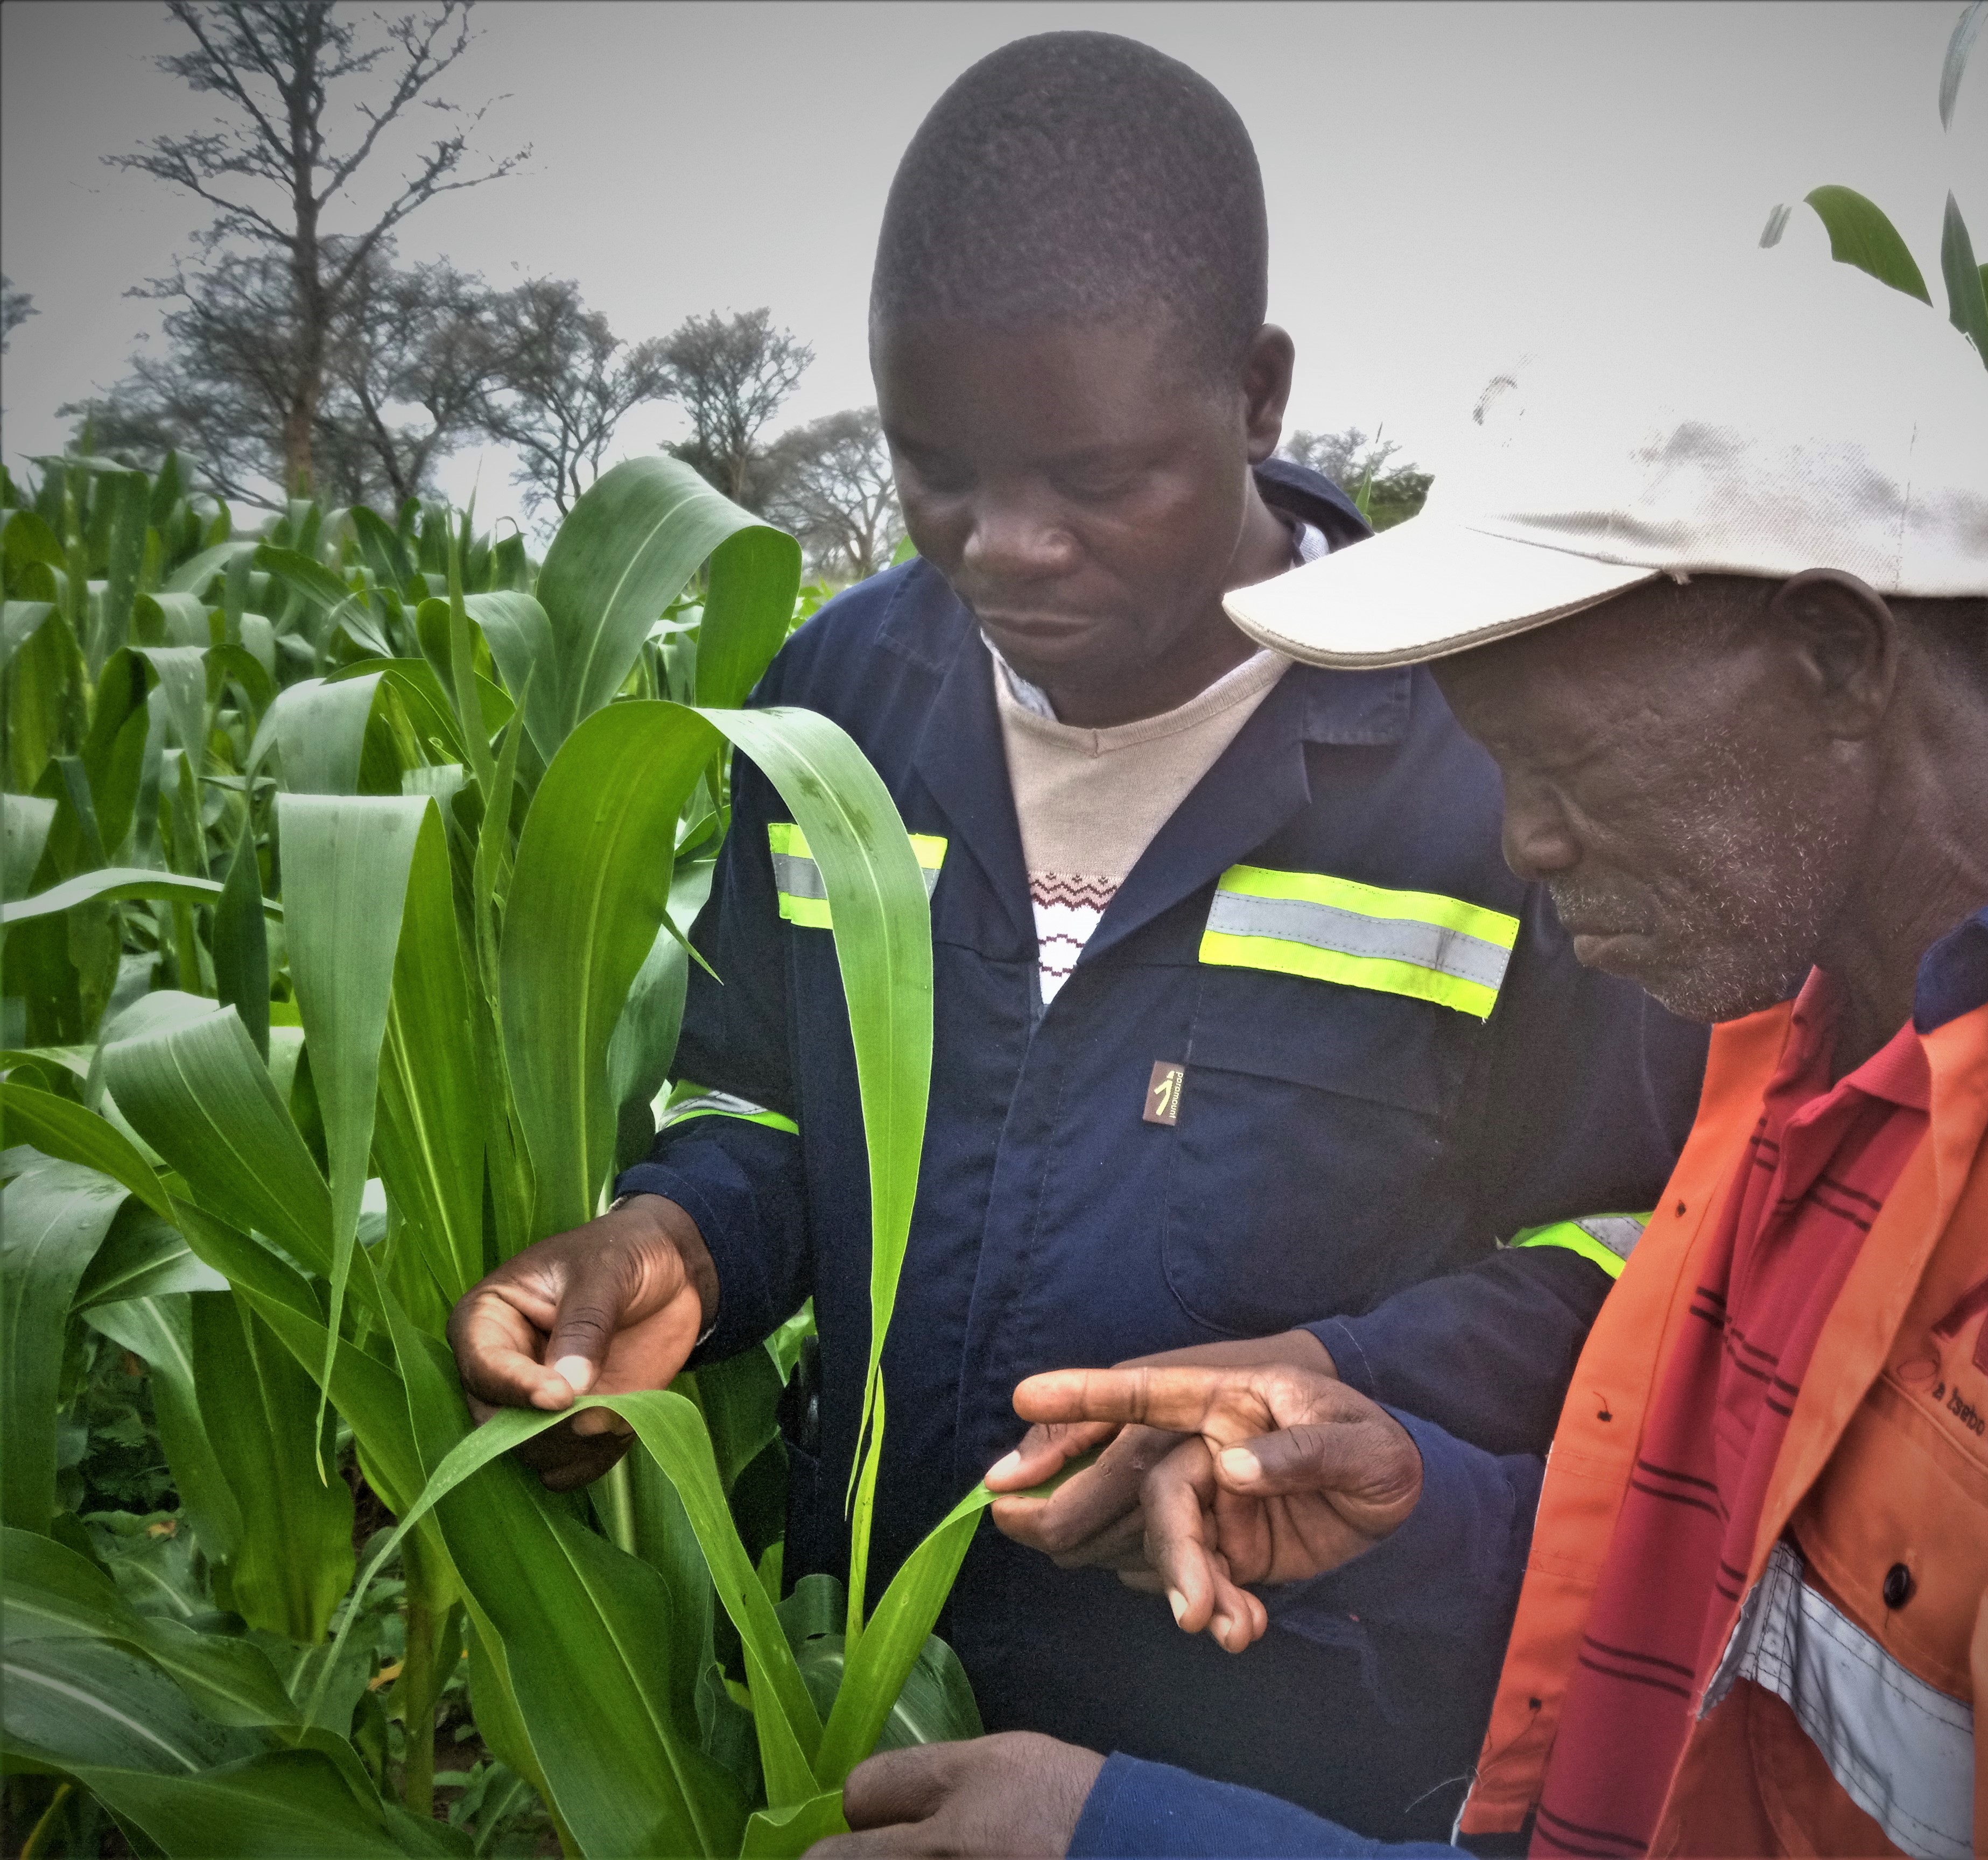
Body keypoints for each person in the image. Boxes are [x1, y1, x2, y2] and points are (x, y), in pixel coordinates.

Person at [811, 262, 1988, 1858]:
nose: (1524, 846)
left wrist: (1143, 1842)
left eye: (1566, 765)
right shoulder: (1788, 1053)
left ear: (1834, 659)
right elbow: (1739, 1631)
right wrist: (1423, 1517)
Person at [448, 31, 1707, 1843]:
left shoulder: (1486, 766)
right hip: (861, 1710)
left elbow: (1641, 1247)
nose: (1003, 547)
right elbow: (766, 1109)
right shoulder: (837, 706)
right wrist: (674, 1248)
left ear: (1257, 396)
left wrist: (1335, 1381)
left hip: (1284, 1770)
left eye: (1096, 477)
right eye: (935, 469)